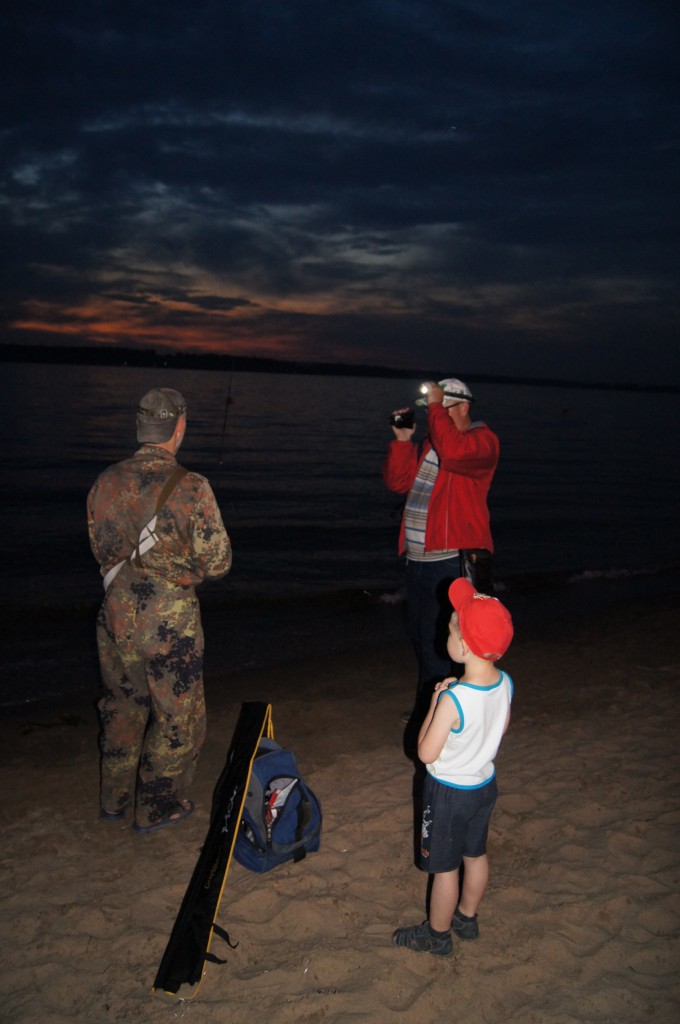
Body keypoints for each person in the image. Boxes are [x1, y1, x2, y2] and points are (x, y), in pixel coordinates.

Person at [87, 387, 232, 834]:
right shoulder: (192, 486)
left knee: (122, 705)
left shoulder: (105, 481)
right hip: (168, 620)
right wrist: (184, 568)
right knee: (178, 716)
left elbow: (102, 551)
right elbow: (219, 563)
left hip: (115, 613)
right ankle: (155, 805)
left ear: (141, 426)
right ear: (179, 426)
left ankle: (113, 799)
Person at [392, 577, 514, 956]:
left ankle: (438, 935)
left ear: (462, 647)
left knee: (445, 869)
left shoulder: (454, 699)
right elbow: (500, 728)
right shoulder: (505, 683)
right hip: (483, 786)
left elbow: (426, 753)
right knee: (475, 855)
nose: (445, 633)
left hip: (449, 794)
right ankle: (467, 917)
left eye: (449, 629)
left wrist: (435, 703)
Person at [383, 377, 499, 726]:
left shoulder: (482, 442)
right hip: (418, 559)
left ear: (463, 406)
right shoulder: (433, 442)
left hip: (451, 561)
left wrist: (434, 407)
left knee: (448, 643)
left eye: (441, 406)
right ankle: (433, 706)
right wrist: (403, 441)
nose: (434, 415)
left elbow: (454, 453)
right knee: (423, 638)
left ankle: (443, 715)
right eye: (432, 408)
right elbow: (397, 483)